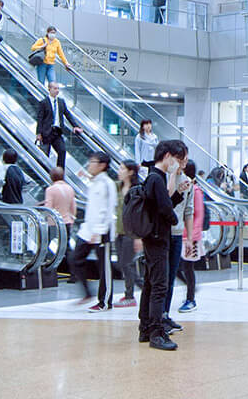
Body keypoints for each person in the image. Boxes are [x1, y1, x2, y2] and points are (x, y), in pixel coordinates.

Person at [139, 140, 184, 351]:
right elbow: (165, 208)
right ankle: (157, 332)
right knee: (159, 286)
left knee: (150, 283)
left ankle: (146, 328)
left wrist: (177, 195)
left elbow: (162, 205)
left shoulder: (152, 177)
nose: (177, 163)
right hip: (158, 238)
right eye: (177, 158)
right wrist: (174, 219)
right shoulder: (157, 178)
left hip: (153, 237)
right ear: (167, 156)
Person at [70, 151, 117, 311]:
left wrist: (99, 230)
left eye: (93, 162)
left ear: (102, 165)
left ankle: (105, 302)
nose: (89, 165)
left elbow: (109, 209)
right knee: (75, 259)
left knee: (104, 268)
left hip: (101, 232)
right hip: (87, 230)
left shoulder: (107, 184)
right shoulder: (96, 182)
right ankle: (87, 293)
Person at [163, 140, 193, 330]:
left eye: (185, 158)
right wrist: (174, 174)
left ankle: (165, 314)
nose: (183, 162)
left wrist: (188, 237)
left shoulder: (188, 182)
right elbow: (167, 197)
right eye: (180, 158)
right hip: (162, 233)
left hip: (176, 234)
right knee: (161, 278)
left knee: (171, 276)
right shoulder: (163, 176)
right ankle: (156, 316)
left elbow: (188, 211)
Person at [35, 81, 82, 170]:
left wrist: (75, 126)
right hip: (46, 133)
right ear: (49, 89)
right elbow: (40, 119)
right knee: (45, 154)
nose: (57, 90)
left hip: (57, 132)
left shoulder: (61, 102)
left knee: (62, 150)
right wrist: (38, 133)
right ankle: (43, 172)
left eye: (58, 88)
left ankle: (60, 172)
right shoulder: (44, 102)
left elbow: (67, 114)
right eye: (55, 88)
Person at [114, 160, 141, 307]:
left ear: (130, 172)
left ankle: (130, 295)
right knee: (122, 264)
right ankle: (141, 288)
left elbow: (139, 214)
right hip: (119, 231)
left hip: (131, 233)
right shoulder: (118, 187)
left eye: (122, 168)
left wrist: (138, 237)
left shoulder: (136, 189)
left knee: (126, 264)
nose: (119, 171)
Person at [177, 161, 203, 313]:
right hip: (181, 234)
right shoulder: (184, 187)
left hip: (190, 237)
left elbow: (198, 214)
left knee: (187, 267)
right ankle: (189, 290)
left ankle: (191, 298)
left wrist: (192, 236)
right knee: (179, 267)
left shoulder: (195, 190)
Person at [43, 167, 77, 238]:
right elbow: (73, 206)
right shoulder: (70, 188)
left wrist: (45, 219)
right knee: (65, 243)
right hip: (67, 221)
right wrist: (72, 219)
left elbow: (48, 207)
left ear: (51, 177)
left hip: (54, 222)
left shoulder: (50, 190)